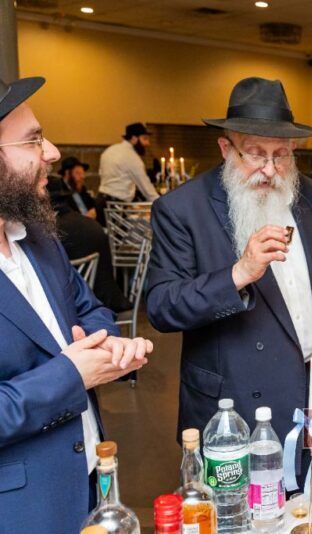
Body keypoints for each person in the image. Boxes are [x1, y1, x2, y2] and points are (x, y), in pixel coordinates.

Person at [145, 77, 312, 487]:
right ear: (225, 148)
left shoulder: (311, 196)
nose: (270, 169)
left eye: (281, 154)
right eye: (255, 153)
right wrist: (238, 274)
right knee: (248, 511)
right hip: (238, 404)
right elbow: (162, 306)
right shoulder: (182, 209)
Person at [0, 76, 152, 532]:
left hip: (88, 483)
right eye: (33, 140)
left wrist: (111, 344)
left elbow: (91, 310)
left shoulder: (38, 238)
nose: (51, 152)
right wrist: (71, 373)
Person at [46, 159, 132, 312]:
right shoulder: (86, 224)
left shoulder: (54, 232)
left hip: (82, 305)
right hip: (107, 298)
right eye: (78, 173)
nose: (82, 177)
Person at [97, 122, 159, 224]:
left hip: (101, 201)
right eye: (145, 139)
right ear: (134, 138)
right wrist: (162, 205)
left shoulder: (109, 150)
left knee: (106, 232)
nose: (148, 143)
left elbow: (101, 174)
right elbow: (146, 188)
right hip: (116, 206)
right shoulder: (132, 157)